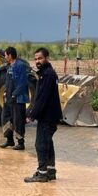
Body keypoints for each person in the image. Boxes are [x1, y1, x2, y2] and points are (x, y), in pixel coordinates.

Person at [24, 47, 62, 183]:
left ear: (47, 58)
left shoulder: (48, 74)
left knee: (40, 144)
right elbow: (39, 97)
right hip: (49, 115)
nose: (37, 61)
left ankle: (42, 174)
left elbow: (42, 98)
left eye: (40, 58)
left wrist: (32, 115)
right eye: (35, 59)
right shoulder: (45, 73)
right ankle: (50, 171)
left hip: (48, 116)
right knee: (48, 143)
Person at [0, 47, 29, 150]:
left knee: (18, 120)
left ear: (10, 55)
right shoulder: (9, 66)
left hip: (18, 99)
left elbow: (22, 83)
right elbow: (8, 82)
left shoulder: (20, 66)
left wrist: (14, 95)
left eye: (6, 55)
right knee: (6, 118)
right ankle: (9, 140)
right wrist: (5, 93)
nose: (5, 57)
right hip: (8, 98)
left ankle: (21, 143)